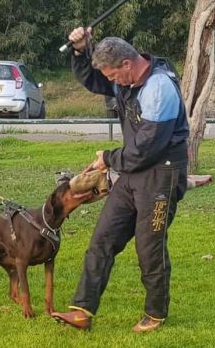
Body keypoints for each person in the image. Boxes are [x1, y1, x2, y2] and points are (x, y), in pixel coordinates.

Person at [51, 28, 189, 333]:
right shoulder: (125, 81)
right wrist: (80, 50)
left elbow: (147, 148)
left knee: (149, 247)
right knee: (103, 239)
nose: (111, 82)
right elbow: (93, 79)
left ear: (127, 64)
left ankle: (155, 312)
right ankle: (82, 311)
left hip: (161, 175)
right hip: (132, 174)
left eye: (113, 75)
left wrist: (108, 158)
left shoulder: (159, 88)